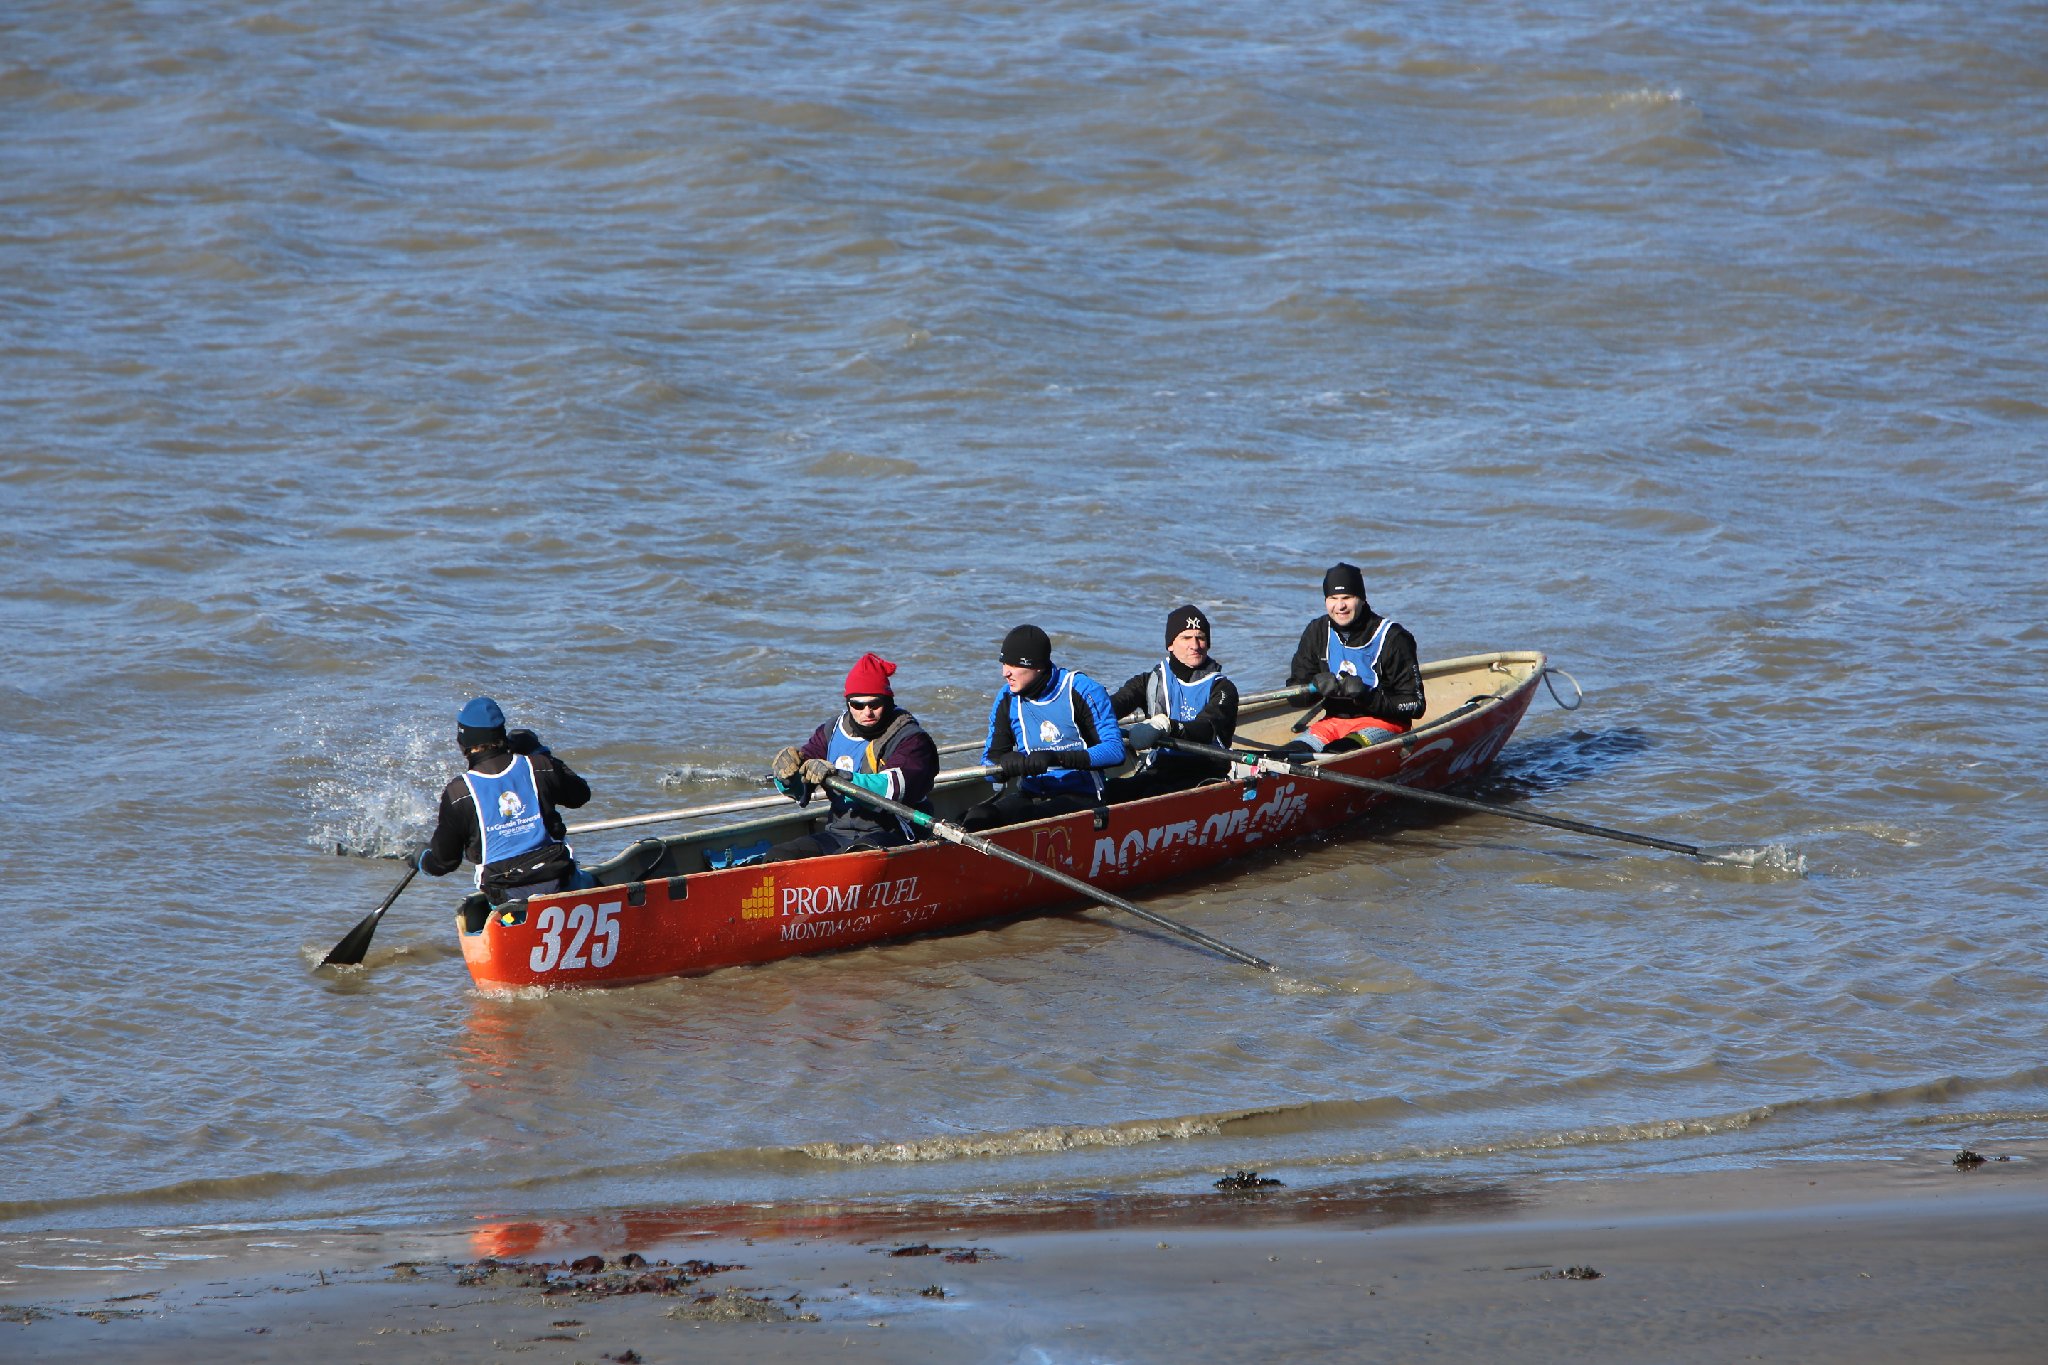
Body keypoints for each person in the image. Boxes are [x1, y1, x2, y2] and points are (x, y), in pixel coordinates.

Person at [765, 652, 940, 862]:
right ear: (848, 703)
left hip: (896, 831)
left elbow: (894, 789)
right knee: (778, 856)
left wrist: (839, 776)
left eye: (875, 704)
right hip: (838, 834)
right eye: (858, 705)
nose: (867, 712)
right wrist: (785, 776)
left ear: (888, 701)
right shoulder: (829, 732)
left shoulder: (912, 739)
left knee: (854, 857)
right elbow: (799, 788)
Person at [418, 697, 592, 907]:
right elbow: (580, 795)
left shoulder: (459, 792)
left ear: (463, 744)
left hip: (506, 897)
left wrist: (422, 859)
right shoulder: (539, 765)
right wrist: (540, 752)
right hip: (560, 880)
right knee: (593, 882)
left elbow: (445, 862)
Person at [960, 624, 1128, 831]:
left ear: (1037, 666)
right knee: (978, 816)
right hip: (1031, 795)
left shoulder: (1081, 689)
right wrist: (1004, 766)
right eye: (1003, 663)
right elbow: (989, 764)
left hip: (1083, 795)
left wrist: (1056, 758)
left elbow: (1114, 751)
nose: (1005, 672)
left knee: (1029, 818)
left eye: (1013, 665)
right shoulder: (1006, 697)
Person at [1274, 562, 1425, 756]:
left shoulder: (1394, 638)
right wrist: (1314, 688)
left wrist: (1366, 696)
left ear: (1361, 599)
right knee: (1285, 756)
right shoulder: (1317, 631)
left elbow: (1416, 705)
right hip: (1332, 723)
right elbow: (1294, 696)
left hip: (1382, 723)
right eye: (1333, 598)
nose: (1340, 606)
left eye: (1347, 597)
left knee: (1336, 752)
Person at [1103, 604, 1240, 802]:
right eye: (1186, 638)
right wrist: (1084, 715)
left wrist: (1165, 725)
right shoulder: (1149, 681)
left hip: (1205, 773)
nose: (1195, 645)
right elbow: (1113, 706)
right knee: (1107, 792)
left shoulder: (1223, 688)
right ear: (1170, 645)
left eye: (1201, 638)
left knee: (1152, 795)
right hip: (1161, 769)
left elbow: (1206, 728)